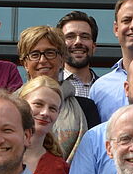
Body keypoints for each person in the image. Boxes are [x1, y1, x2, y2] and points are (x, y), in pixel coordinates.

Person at [16, 25, 99, 160]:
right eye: (34, 55)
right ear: (25, 63)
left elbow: (95, 153)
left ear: (62, 60)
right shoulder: (9, 105)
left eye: (50, 53)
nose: (43, 60)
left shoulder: (86, 108)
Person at [57, 11, 99, 98]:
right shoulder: (50, 86)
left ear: (93, 46)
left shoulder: (107, 88)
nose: (78, 42)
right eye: (70, 36)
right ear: (60, 45)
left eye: (84, 37)